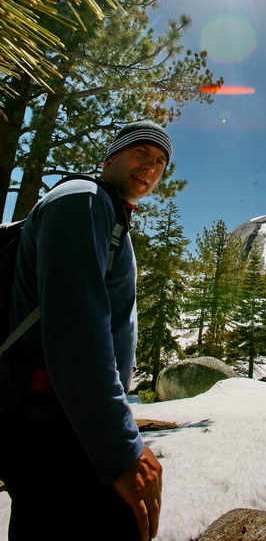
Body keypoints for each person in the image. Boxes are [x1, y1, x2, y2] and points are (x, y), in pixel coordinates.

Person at [0, 120, 172, 541]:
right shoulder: (84, 201)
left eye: (160, 163)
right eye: (141, 153)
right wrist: (120, 451)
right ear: (111, 157)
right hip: (50, 417)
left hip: (57, 415)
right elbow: (77, 332)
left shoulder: (107, 214)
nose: (150, 167)